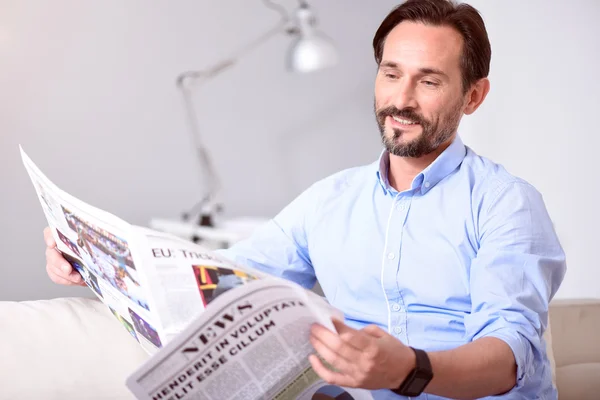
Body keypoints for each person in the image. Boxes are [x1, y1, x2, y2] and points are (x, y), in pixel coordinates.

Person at [43, 0, 566, 398]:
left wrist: (407, 367)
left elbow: (507, 357)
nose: (401, 100)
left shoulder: (506, 204)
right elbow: (213, 278)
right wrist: (92, 259)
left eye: (428, 81)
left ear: (473, 95)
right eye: (390, 74)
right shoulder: (329, 201)